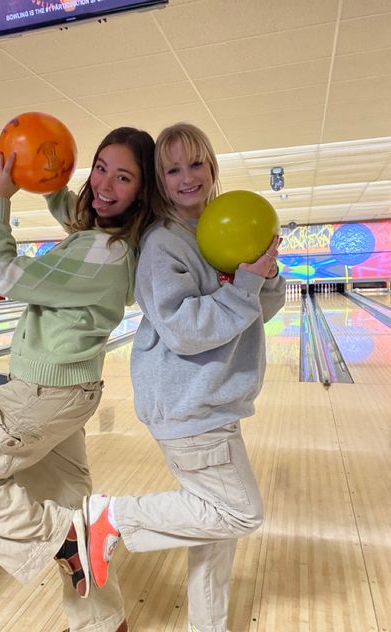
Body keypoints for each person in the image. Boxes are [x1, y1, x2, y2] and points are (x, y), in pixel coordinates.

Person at [0, 126, 158, 632]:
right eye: (100, 169)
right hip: (71, 393)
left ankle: (64, 539)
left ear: (142, 190)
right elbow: (79, 212)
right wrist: (51, 181)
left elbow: (4, 276)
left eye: (124, 177)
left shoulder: (100, 254)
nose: (105, 184)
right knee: (73, 502)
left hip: (41, 394)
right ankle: (103, 620)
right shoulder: (113, 242)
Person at [79, 123, 286, 632]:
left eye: (196, 164)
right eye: (173, 169)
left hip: (212, 402)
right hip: (191, 407)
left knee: (215, 535)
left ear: (212, 167)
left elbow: (264, 309)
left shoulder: (221, 226)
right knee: (240, 512)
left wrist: (265, 273)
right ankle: (110, 518)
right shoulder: (163, 245)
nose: (187, 177)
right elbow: (184, 330)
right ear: (160, 180)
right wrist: (243, 288)